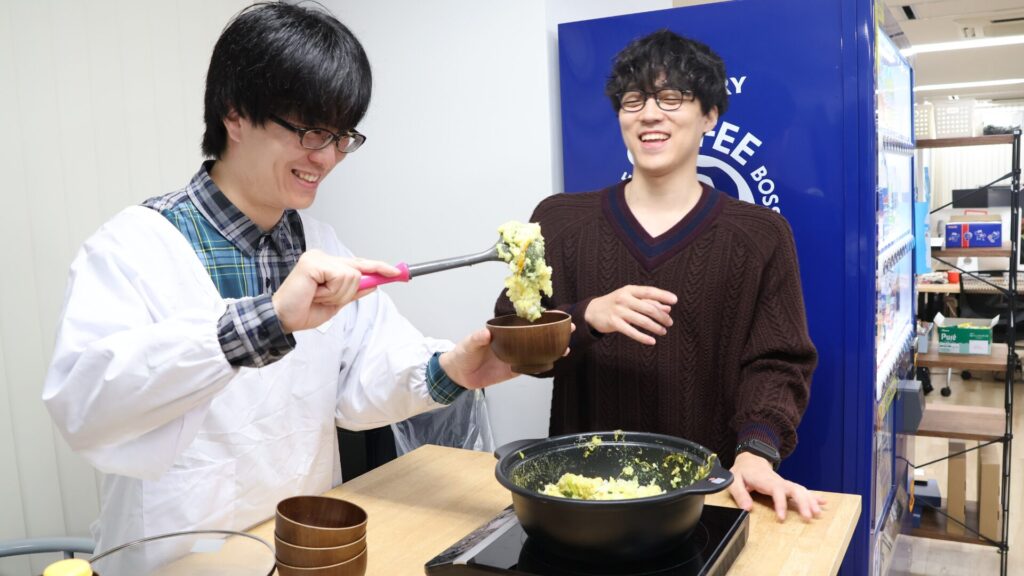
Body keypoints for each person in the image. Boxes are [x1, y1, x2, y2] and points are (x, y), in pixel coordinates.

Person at [43, 2, 517, 553]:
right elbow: (85, 408)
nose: (327, 158)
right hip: (175, 556)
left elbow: (362, 380)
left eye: (342, 136)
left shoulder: (320, 244)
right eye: (311, 131)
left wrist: (452, 369)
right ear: (235, 115)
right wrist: (263, 321)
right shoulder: (134, 248)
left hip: (301, 548)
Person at [495, 29, 824, 521]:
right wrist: (586, 316)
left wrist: (756, 450)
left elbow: (779, 362)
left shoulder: (761, 234)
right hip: (579, 495)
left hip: (705, 495)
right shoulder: (559, 220)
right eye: (634, 100)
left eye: (671, 98)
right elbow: (515, 344)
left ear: (710, 115)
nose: (649, 114)